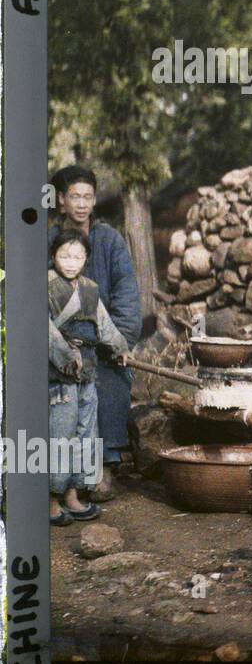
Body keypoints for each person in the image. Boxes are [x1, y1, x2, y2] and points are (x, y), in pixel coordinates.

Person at [49, 165, 142, 501]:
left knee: (112, 378)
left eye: (88, 196)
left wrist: (122, 340)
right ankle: (64, 480)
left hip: (105, 339)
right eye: (74, 196)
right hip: (62, 345)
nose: (82, 204)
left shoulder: (109, 240)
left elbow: (127, 292)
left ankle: (106, 463)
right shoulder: (50, 242)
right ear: (61, 200)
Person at [49, 230, 130, 525]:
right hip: (61, 376)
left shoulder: (89, 289)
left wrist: (119, 347)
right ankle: (51, 499)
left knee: (85, 433)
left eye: (77, 256)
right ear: (53, 256)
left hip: (88, 371)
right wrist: (66, 358)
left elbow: (104, 324)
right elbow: (45, 331)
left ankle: (73, 493)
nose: (71, 262)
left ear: (86, 258)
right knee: (61, 434)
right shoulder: (44, 286)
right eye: (64, 255)